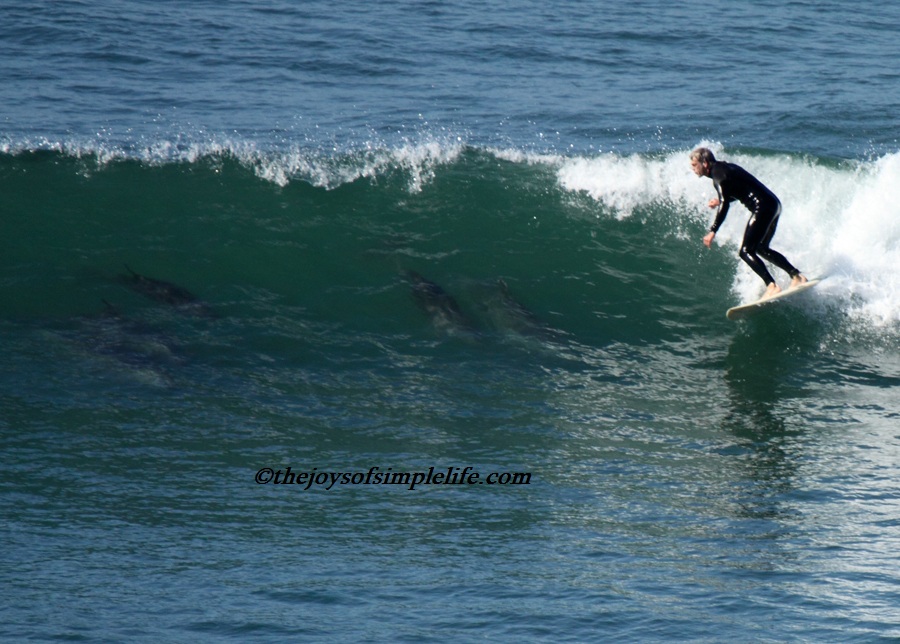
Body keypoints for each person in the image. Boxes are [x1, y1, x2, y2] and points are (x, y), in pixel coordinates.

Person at [690, 147, 807, 299]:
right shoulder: (725, 168)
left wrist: (713, 230)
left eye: (694, 165)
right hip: (773, 205)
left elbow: (725, 204)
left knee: (745, 251)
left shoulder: (717, 175)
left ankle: (772, 286)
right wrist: (720, 200)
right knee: (760, 248)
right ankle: (797, 276)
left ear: (704, 163)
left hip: (763, 207)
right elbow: (739, 192)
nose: (693, 169)